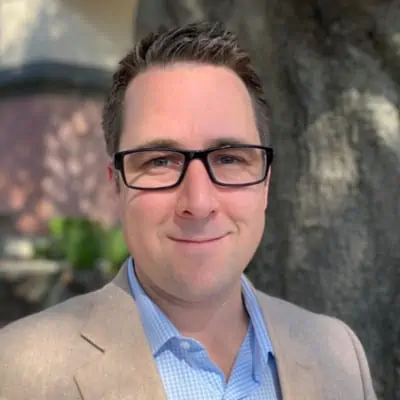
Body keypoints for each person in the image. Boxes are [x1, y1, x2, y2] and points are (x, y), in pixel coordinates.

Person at [0, 21, 376, 400]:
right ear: (116, 185)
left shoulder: (340, 354)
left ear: (265, 183)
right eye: (161, 161)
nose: (198, 204)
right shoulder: (17, 372)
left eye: (229, 158)